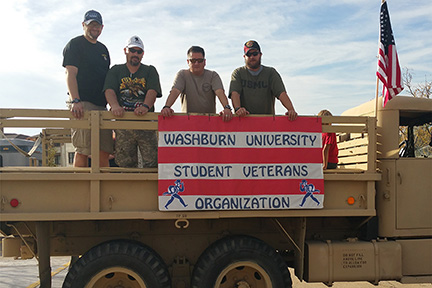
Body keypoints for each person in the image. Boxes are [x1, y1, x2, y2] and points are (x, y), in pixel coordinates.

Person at [62, 10, 113, 167]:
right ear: (83, 25)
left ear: (102, 27)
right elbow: (70, 73)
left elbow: (106, 80)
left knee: (104, 149)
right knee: (83, 149)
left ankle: (105, 190)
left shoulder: (103, 50)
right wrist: (75, 100)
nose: (94, 28)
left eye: (97, 25)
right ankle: (78, 189)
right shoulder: (75, 44)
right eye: (91, 25)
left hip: (101, 106)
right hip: (82, 103)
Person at [104, 35, 161, 168]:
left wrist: (146, 106)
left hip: (145, 124)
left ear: (143, 54)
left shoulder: (149, 70)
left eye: (139, 51)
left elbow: (152, 91)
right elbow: (109, 90)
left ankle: (150, 189)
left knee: (152, 162)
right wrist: (114, 106)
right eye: (132, 50)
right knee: (125, 163)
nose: (135, 54)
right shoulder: (116, 70)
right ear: (125, 50)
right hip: (123, 123)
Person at [229, 40, 298, 120]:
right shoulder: (238, 73)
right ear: (244, 56)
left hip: (267, 124)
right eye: (249, 54)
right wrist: (238, 109)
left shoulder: (271, 73)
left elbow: (281, 93)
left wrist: (291, 110)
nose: (252, 57)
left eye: (255, 54)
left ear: (260, 55)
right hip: (244, 121)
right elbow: (235, 93)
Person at [161, 46, 233, 122]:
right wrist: (167, 107)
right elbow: (175, 91)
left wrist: (226, 108)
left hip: (209, 122)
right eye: (193, 60)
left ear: (204, 62)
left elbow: (220, 92)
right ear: (188, 62)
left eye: (199, 60)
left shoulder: (212, 75)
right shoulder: (182, 75)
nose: (196, 63)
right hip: (188, 122)